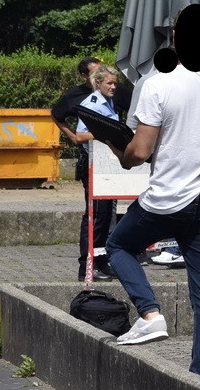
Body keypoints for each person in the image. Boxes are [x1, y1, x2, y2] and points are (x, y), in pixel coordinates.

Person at [105, 3, 200, 377]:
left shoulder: (158, 84)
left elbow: (139, 152)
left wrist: (115, 146)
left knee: (119, 245)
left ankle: (150, 313)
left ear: (175, 40)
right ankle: (198, 377)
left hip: (166, 199)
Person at [72, 64, 122, 281]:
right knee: (95, 217)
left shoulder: (107, 102)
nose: (113, 87)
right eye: (109, 83)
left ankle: (101, 262)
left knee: (106, 215)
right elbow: (80, 135)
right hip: (93, 166)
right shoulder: (92, 103)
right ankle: (87, 266)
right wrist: (107, 133)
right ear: (98, 83)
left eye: (115, 84)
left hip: (106, 166)